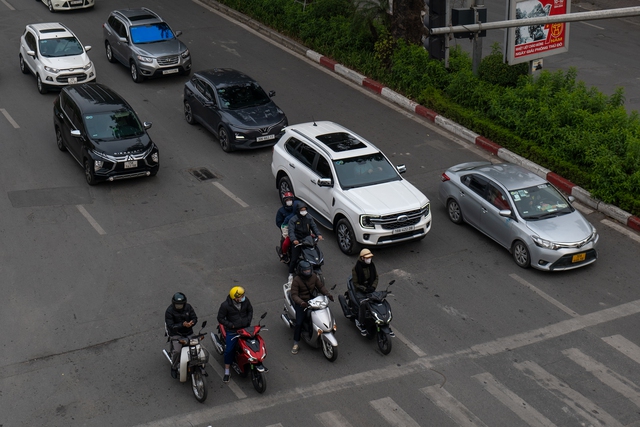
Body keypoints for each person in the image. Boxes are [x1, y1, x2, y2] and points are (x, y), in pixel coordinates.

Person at [290, 260, 333, 354]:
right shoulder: (297, 280)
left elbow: (320, 287)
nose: (308, 272)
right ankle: (296, 343)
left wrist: (327, 294)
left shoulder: (314, 276)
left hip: (313, 300)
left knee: (325, 310)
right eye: (305, 271)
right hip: (302, 303)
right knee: (299, 323)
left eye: (309, 270)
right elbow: (294, 295)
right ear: (301, 271)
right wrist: (301, 302)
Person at [217, 286, 253, 383]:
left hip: (245, 328)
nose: (242, 298)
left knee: (253, 343)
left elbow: (250, 310)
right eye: (240, 296)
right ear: (234, 297)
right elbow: (220, 318)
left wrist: (248, 320)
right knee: (229, 350)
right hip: (233, 331)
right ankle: (227, 371)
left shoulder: (246, 301)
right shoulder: (225, 306)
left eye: (242, 295)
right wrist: (231, 325)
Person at [287, 203, 323, 284]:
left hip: (308, 240)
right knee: (294, 258)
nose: (303, 212)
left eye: (305, 210)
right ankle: (290, 274)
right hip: (298, 241)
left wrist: (319, 234)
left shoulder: (309, 218)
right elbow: (291, 231)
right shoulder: (293, 220)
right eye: (301, 210)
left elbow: (314, 227)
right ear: (298, 211)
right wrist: (294, 240)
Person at [165, 292, 198, 379]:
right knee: (177, 351)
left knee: (196, 347)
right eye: (177, 305)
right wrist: (182, 325)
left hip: (189, 332)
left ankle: (197, 364)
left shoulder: (188, 307)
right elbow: (171, 326)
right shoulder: (169, 311)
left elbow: (194, 317)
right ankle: (174, 367)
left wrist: (192, 322)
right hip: (176, 334)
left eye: (181, 305)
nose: (179, 306)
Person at [351, 249, 378, 336]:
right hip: (361, 290)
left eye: (370, 257)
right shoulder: (356, 268)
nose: (369, 259)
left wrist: (373, 286)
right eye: (367, 258)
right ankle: (360, 322)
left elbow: (376, 277)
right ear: (362, 258)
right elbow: (355, 283)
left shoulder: (372, 265)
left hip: (370, 288)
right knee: (363, 304)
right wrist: (364, 288)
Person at [275, 191, 297, 263]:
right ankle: (283, 254)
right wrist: (284, 229)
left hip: (297, 227)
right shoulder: (281, 211)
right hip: (286, 229)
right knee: (284, 241)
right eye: (287, 200)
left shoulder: (296, 208)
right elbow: (279, 222)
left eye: (290, 199)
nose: (289, 201)